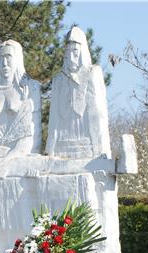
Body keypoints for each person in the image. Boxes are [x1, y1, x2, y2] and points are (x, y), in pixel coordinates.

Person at [46, 26, 110, 160]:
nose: (70, 56)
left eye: (75, 51)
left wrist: (100, 151)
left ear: (82, 51)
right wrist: (49, 150)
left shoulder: (92, 73)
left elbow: (97, 114)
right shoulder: (58, 79)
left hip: (87, 147)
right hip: (61, 146)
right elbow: (54, 119)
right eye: (67, 51)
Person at [0, 39, 41, 155]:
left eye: (8, 57)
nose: (4, 63)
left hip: (21, 153)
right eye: (1, 58)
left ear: (18, 59)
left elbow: (32, 135)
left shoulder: (30, 88)